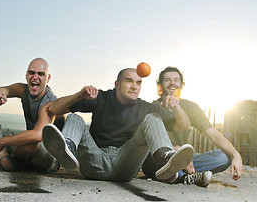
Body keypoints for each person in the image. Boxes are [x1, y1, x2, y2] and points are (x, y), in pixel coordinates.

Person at [40, 68, 194, 182]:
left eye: (138, 83)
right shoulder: (100, 97)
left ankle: (165, 159)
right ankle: (67, 149)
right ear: (117, 84)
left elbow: (183, 126)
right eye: (129, 81)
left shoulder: (146, 107)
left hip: (125, 164)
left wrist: (177, 107)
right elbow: (53, 108)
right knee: (75, 118)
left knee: (153, 118)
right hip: (95, 161)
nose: (134, 86)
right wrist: (79, 95)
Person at [142, 66, 243, 187]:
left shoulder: (191, 107)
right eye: (167, 80)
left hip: (185, 160)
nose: (172, 83)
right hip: (159, 160)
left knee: (223, 157)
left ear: (181, 84)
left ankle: (179, 175)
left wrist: (236, 155)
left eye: (176, 80)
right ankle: (184, 176)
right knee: (149, 161)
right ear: (160, 85)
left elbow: (214, 135)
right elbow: (147, 142)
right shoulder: (151, 108)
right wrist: (176, 151)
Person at [0, 58, 62, 172]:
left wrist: (4, 141)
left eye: (41, 74)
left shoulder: (50, 102)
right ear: (26, 75)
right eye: (32, 73)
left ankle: (6, 161)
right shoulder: (23, 90)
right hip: (25, 147)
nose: (35, 77)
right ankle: (6, 160)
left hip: (47, 152)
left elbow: (37, 136)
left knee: (30, 143)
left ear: (48, 78)